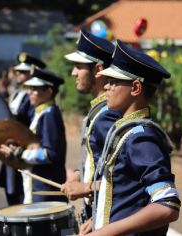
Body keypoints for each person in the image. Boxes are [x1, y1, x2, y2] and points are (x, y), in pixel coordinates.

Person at [85, 40, 180, 236]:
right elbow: (128, 193)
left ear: (136, 88)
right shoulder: (126, 132)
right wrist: (99, 219)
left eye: (113, 82)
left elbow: (167, 205)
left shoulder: (141, 138)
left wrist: (105, 231)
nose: (106, 88)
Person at [62, 30, 121, 227]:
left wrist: (85, 187)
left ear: (98, 70)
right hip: (97, 211)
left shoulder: (107, 116)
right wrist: (78, 176)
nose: (73, 73)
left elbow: (123, 180)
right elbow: (96, 160)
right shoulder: (99, 110)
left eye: (78, 67)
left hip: (109, 215)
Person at [0, 67, 67, 204]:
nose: (29, 92)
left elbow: (50, 153)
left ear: (48, 92)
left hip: (44, 188)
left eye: (35, 89)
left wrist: (21, 153)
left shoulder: (49, 114)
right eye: (29, 88)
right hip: (35, 184)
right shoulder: (41, 112)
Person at [0, 52, 46, 206]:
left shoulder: (33, 97)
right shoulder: (17, 93)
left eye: (24, 71)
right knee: (13, 194)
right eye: (18, 71)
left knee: (23, 196)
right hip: (12, 152)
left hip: (23, 151)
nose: (18, 74)